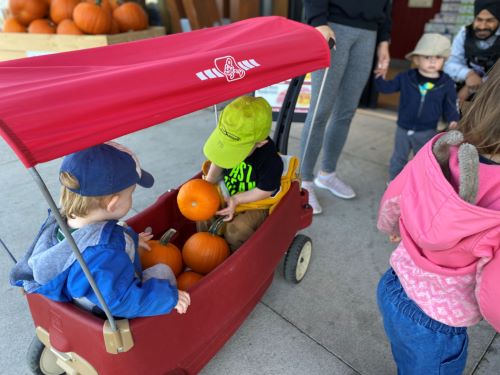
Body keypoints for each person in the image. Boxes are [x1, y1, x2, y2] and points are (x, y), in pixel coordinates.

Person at [376, 61, 500, 374]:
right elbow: (494, 294)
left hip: (394, 286)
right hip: (438, 324)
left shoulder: (441, 147)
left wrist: (391, 226)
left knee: (405, 358)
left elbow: (395, 195)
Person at [10, 142, 191, 318]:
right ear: (113, 204)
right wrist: (168, 298)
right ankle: (171, 319)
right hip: (105, 308)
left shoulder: (60, 222)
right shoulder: (104, 251)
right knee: (164, 272)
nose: (131, 198)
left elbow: (96, 236)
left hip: (80, 297)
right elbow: (118, 300)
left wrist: (131, 239)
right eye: (131, 194)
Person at [300, 0, 392, 214]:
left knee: (346, 111)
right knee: (320, 110)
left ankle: (327, 174)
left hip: (368, 33)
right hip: (332, 25)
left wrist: (384, 40)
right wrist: (318, 20)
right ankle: (304, 182)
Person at [203, 96, 283, 252]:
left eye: (234, 149)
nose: (227, 151)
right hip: (229, 195)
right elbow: (219, 160)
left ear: (260, 142)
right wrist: (209, 181)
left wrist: (238, 198)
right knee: (204, 212)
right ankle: (206, 248)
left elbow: (265, 190)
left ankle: (236, 257)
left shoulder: (270, 160)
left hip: (255, 201)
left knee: (237, 230)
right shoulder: (229, 134)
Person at [375, 33, 460, 180]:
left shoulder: (447, 83)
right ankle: (393, 182)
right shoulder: (406, 77)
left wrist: (453, 119)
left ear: (444, 60)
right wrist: (379, 77)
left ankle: (416, 185)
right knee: (398, 157)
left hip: (427, 130)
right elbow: (386, 88)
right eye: (427, 57)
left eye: (438, 57)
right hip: (403, 127)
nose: (433, 61)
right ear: (416, 59)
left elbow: (450, 104)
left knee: (422, 160)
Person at [444, 0, 500, 104]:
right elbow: (450, 64)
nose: (482, 26)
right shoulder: (465, 33)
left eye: (490, 20)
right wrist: (469, 74)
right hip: (467, 84)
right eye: (479, 19)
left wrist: (473, 86)